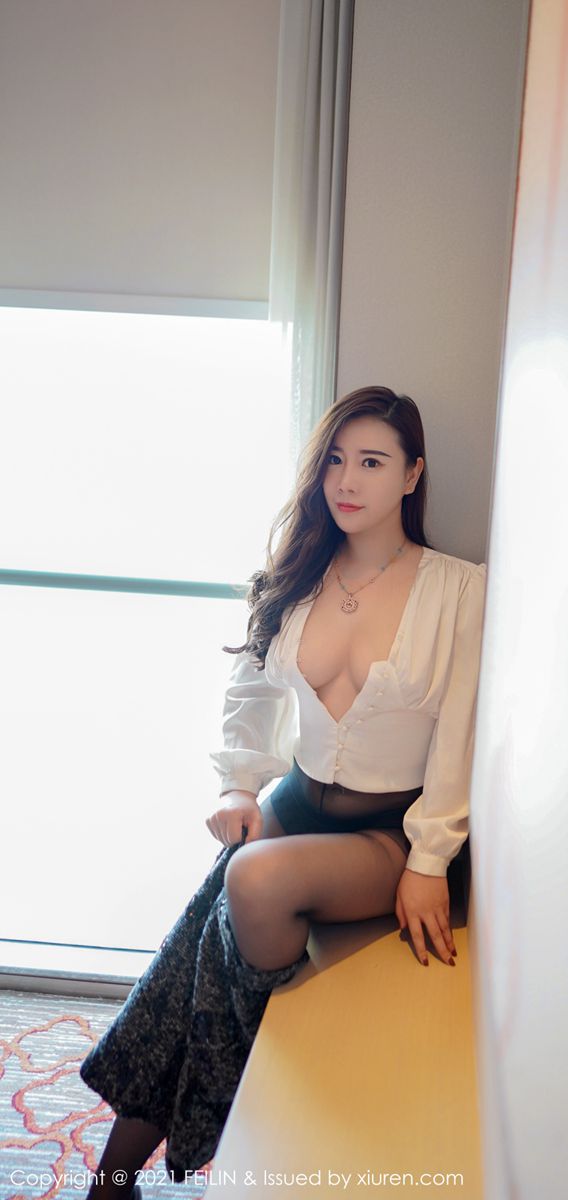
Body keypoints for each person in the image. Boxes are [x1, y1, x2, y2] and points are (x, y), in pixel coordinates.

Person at [79, 385, 487, 1195]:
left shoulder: (459, 589)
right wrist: (238, 784)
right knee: (191, 969)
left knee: (251, 881)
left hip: (391, 831)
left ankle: (186, 1125)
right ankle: (111, 1181)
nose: (348, 480)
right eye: (334, 460)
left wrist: (429, 861)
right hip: (298, 803)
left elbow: (461, 735)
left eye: (372, 462)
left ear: (412, 475)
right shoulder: (298, 572)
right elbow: (253, 689)